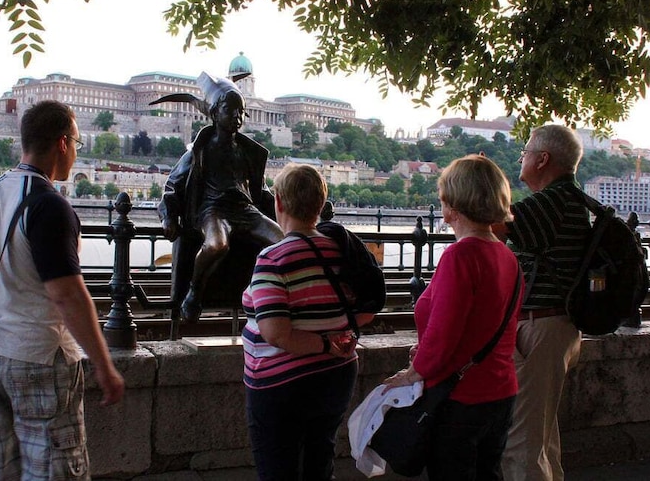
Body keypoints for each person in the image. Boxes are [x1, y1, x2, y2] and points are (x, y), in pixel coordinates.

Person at [0, 100, 125, 479]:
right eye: (78, 142)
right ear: (62, 144)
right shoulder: (49, 206)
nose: (77, 151)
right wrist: (103, 364)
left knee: (4, 468)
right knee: (54, 470)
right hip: (40, 357)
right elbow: (67, 295)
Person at [382, 154, 523, 480]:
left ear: (452, 204)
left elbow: (444, 335)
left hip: (462, 398)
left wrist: (414, 372)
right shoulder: (507, 257)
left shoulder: (460, 256)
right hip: (501, 391)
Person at [242, 163, 374, 481]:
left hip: (282, 383)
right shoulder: (341, 251)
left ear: (279, 202)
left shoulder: (273, 258)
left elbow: (276, 333)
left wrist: (324, 343)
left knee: (278, 467)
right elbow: (367, 307)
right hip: (337, 376)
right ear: (320, 204)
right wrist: (335, 337)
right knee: (319, 460)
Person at [495, 125, 590, 481]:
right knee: (541, 440)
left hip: (540, 328)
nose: (522, 157)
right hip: (554, 326)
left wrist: (481, 183)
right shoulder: (568, 199)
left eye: (525, 151)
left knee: (521, 445)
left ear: (543, 159)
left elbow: (489, 227)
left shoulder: (551, 202)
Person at [154, 72, 283, 323]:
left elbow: (261, 191)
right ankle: (195, 292)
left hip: (246, 210)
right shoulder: (200, 150)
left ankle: (264, 294)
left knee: (281, 242)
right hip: (213, 210)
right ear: (214, 112)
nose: (236, 117)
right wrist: (168, 216)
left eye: (240, 112)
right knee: (216, 245)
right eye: (229, 110)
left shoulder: (246, 152)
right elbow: (173, 185)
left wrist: (292, 208)